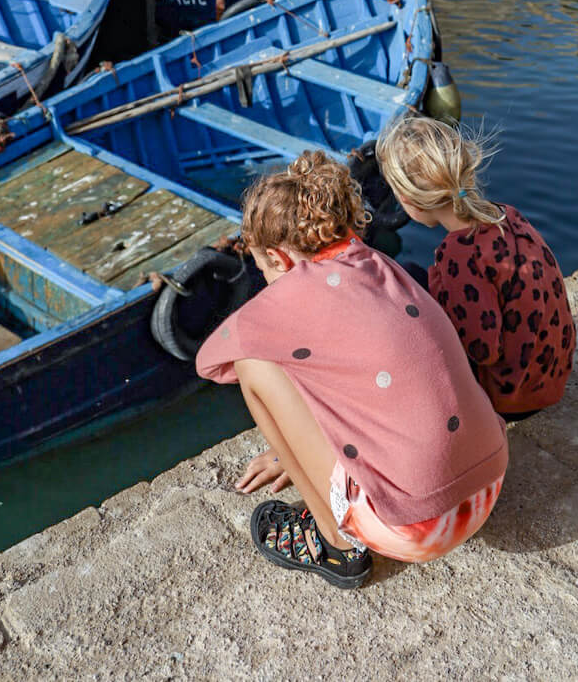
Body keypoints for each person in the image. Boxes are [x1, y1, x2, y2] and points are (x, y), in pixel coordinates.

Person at [195, 151, 508, 589]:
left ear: (277, 258)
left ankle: (337, 548)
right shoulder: (378, 264)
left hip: (417, 528)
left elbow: (212, 361)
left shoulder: (293, 291)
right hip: (488, 483)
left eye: (263, 269)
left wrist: (294, 450)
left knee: (255, 364)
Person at [375, 115, 575, 420]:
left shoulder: (459, 254)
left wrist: (437, 297)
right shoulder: (506, 214)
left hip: (513, 398)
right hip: (551, 374)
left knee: (407, 280)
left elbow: (482, 350)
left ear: (407, 200)